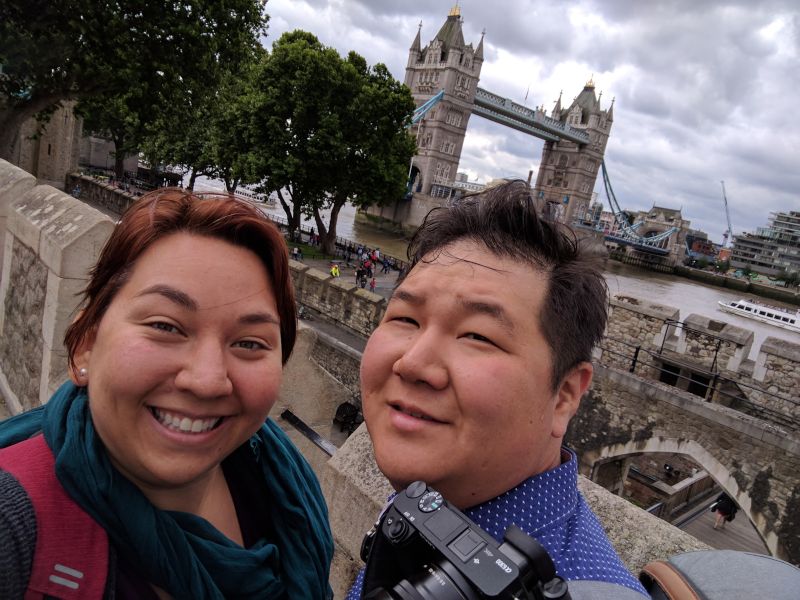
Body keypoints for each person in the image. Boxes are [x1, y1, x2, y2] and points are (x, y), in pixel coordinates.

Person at [0, 188, 333, 599]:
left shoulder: (283, 492)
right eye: (165, 326)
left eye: (249, 343)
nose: (208, 381)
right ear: (86, 344)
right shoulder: (12, 525)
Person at [348, 181, 647, 598]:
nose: (413, 363)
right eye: (405, 319)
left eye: (477, 336)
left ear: (564, 395)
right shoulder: (438, 509)